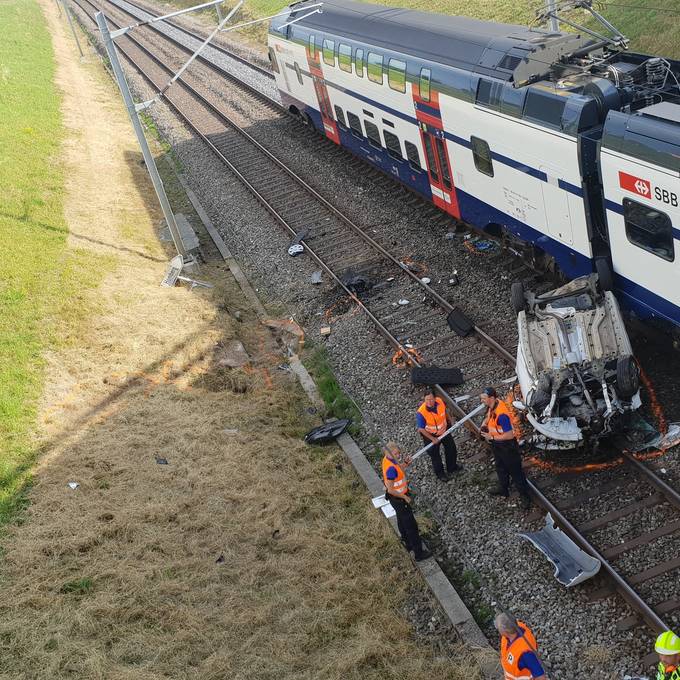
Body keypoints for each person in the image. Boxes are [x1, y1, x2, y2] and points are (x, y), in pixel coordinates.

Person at [480, 387, 531, 510]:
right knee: (500, 466)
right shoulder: (493, 405)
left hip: (507, 446)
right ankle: (504, 488)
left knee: (515, 471)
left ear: (491, 398)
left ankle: (525, 496)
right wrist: (484, 423)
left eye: (484, 398)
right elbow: (489, 416)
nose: (482, 401)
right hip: (497, 445)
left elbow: (509, 435)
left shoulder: (502, 415)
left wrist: (491, 437)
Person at [381, 442, 431, 562]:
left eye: (398, 452)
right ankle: (418, 553)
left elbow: (399, 469)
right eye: (396, 453)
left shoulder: (388, 460)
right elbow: (391, 489)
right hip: (399, 499)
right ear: (388, 453)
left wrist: (406, 464)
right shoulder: (391, 468)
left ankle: (407, 542)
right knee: (411, 526)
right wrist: (404, 497)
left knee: (401, 519)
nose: (398, 455)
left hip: (396, 500)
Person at [416, 390, 461, 481]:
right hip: (430, 435)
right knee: (435, 455)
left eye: (431, 399)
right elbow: (421, 429)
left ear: (435, 398)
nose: (429, 402)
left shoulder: (439, 401)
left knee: (451, 449)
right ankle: (440, 474)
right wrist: (432, 439)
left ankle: (452, 468)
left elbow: (445, 411)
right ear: (424, 400)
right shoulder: (421, 412)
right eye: (427, 400)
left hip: (444, 431)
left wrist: (450, 419)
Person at [495, 612, 549, 680]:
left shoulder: (526, 653)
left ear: (505, 632)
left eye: (498, 628)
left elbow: (540, 677)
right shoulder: (514, 628)